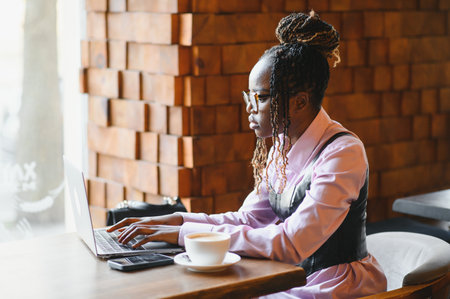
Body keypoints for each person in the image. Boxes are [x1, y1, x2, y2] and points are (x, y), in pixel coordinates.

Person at [108, 11, 387, 298]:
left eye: (262, 97)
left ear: (300, 102)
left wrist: (186, 237)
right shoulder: (283, 145)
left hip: (333, 283)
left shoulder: (343, 154)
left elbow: (291, 243)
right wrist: (180, 220)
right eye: (249, 96)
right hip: (293, 274)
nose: (250, 108)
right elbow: (248, 220)